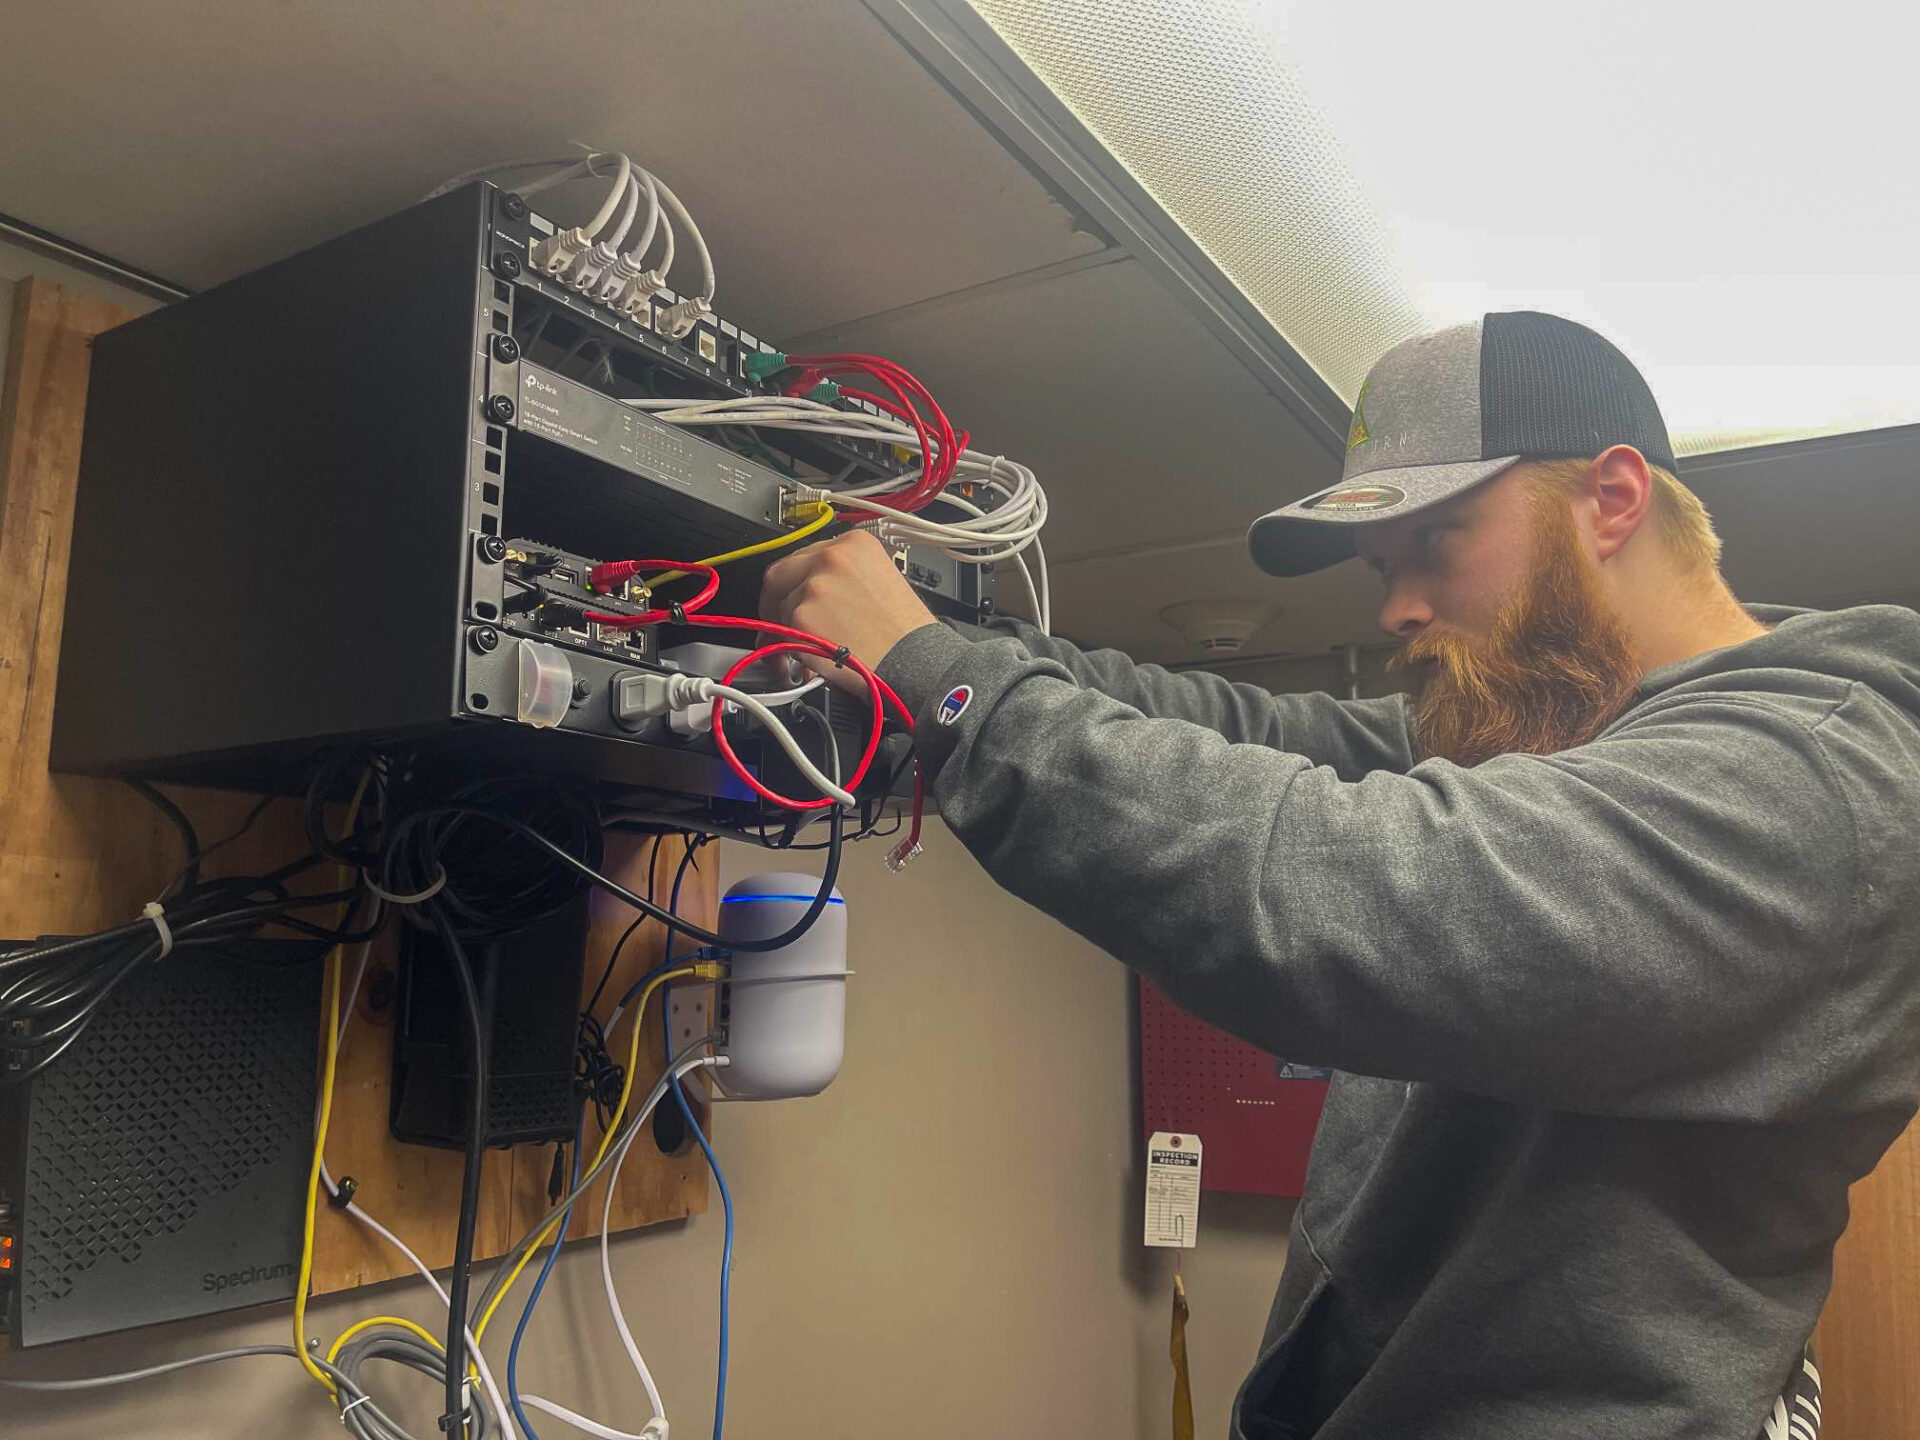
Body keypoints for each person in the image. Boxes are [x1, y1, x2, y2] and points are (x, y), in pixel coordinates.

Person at [759, 311, 1920, 1439]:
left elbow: (1348, 887)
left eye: (1435, 542)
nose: (1397, 607)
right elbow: (1248, 732)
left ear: (1610, 499)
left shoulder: (1815, 778)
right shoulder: (1570, 732)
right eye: (1381, 562)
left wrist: (939, 680)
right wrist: (954, 644)